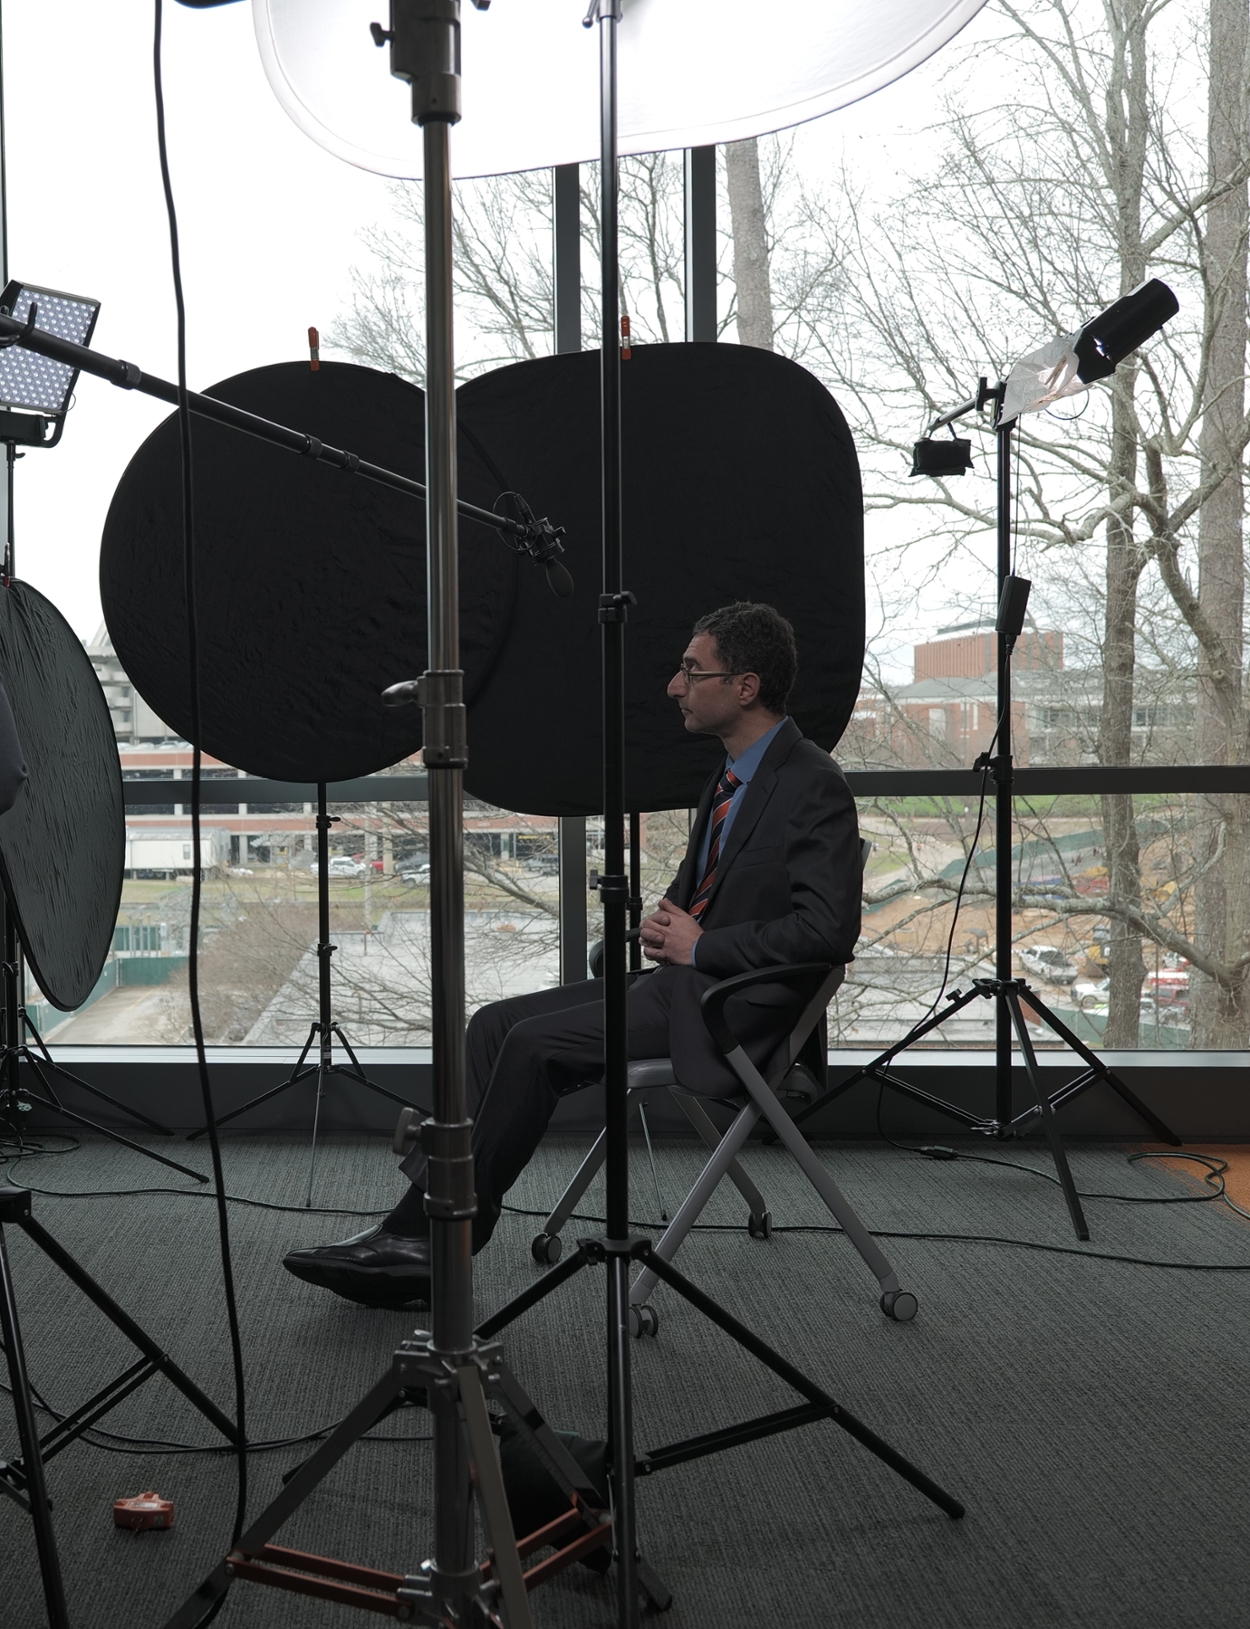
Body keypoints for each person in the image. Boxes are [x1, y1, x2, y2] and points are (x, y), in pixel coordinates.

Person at [283, 602, 861, 1308]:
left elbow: (829, 932)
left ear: (745, 687)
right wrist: (673, 927)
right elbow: (714, 893)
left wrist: (704, 943)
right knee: (490, 1025)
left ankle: (435, 1243)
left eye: (690, 671)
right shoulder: (729, 776)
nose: (674, 687)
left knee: (529, 1045)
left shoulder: (813, 781)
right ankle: (428, 1220)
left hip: (735, 1012)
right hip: (682, 985)